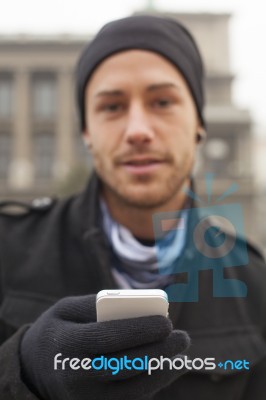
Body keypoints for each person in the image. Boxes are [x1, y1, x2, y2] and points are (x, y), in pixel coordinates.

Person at [0, 14, 266, 400]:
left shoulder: (254, 285)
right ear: (86, 133)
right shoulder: (7, 251)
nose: (138, 129)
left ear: (199, 124)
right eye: (112, 106)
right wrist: (19, 372)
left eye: (162, 101)